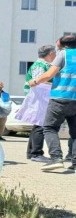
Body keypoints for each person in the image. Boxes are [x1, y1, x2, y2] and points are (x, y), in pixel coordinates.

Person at [29, 35, 76, 171]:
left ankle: (56, 158)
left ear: (61, 44)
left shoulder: (63, 54)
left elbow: (50, 74)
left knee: (49, 128)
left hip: (60, 98)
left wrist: (35, 81)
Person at [24, 45, 56, 162]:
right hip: (39, 98)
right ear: (51, 54)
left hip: (40, 98)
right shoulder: (40, 65)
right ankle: (36, 153)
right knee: (40, 124)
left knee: (37, 125)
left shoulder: (43, 65)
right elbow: (39, 83)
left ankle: (31, 152)